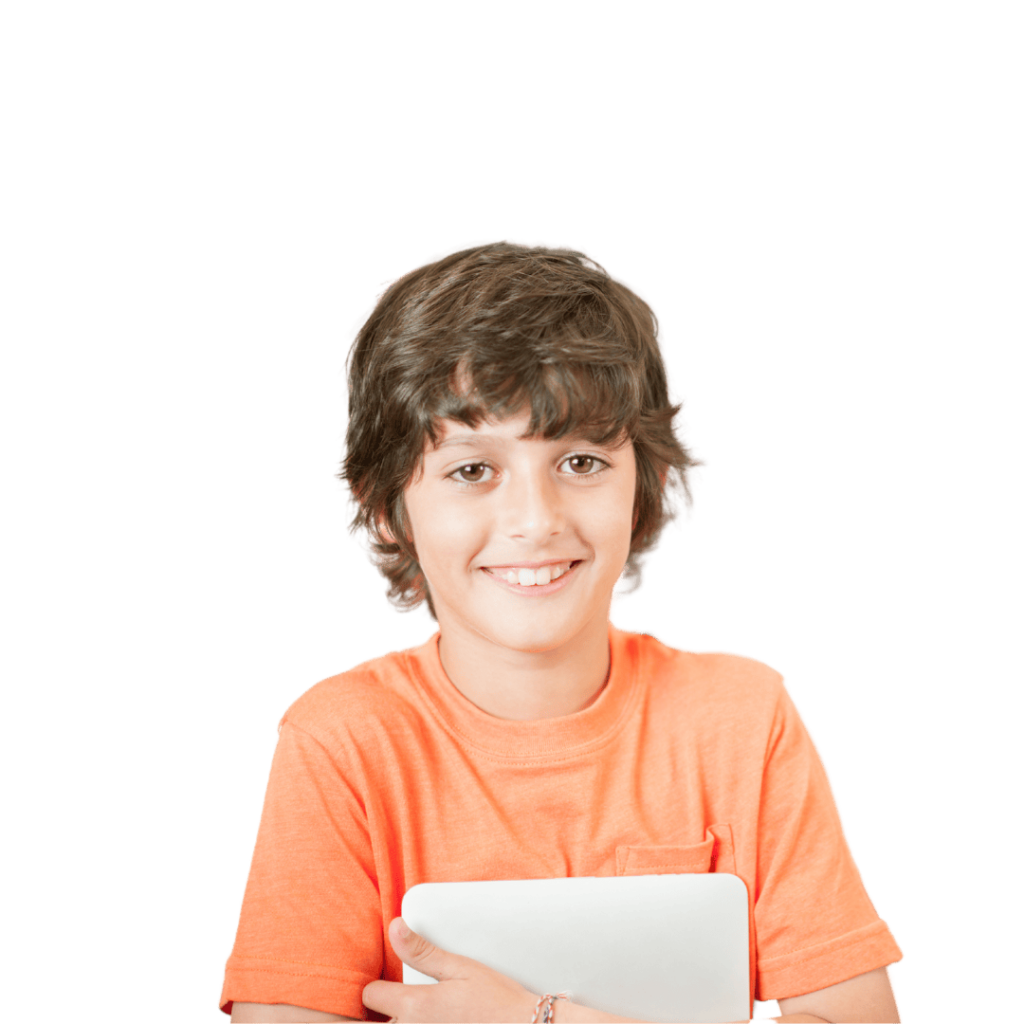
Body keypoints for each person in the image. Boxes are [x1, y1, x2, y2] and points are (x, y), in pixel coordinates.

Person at [220, 240, 904, 1023]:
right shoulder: (340, 739)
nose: (536, 521)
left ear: (642, 485)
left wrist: (537, 1019)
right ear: (389, 510)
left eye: (580, 462)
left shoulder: (743, 716)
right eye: (472, 470)